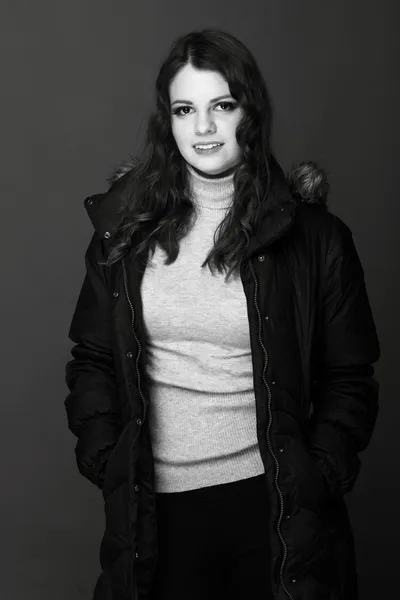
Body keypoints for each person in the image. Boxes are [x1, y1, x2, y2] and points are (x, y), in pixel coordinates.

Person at [64, 28, 380, 600]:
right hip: (153, 514)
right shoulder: (124, 230)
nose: (203, 128)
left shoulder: (316, 239)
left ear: (249, 111)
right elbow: (91, 357)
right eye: (186, 109)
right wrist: (107, 457)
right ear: (169, 120)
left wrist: (319, 475)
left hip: (273, 509)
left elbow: (350, 378)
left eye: (222, 105)